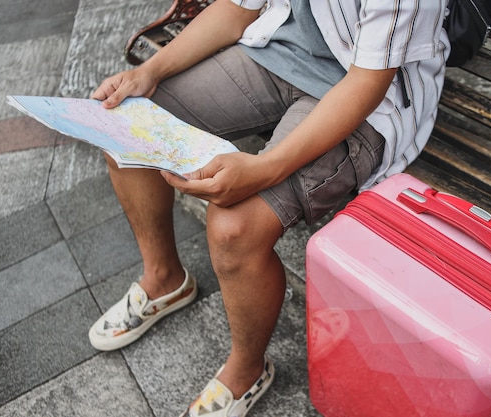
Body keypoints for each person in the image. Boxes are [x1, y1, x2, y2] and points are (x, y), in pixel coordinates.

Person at [89, 0, 449, 416]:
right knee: (123, 127)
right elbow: (237, 7)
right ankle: (165, 278)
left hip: (369, 96)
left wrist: (264, 169)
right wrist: (149, 71)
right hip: (278, 50)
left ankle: (246, 369)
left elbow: (367, 82)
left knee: (234, 228)